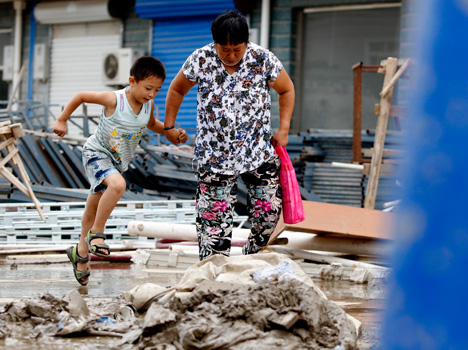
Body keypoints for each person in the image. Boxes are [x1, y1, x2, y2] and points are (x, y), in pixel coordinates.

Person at [164, 10, 295, 261]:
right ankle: (215, 276)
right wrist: (169, 127)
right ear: (215, 44)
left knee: (268, 216)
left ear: (247, 42)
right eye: (225, 49)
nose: (231, 55)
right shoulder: (201, 59)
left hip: (257, 151)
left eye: (237, 48)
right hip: (214, 155)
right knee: (214, 227)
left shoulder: (263, 59)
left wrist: (284, 129)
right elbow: (177, 89)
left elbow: (286, 89)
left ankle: (248, 261)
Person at [53, 56, 188, 285]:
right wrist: (62, 119)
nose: (151, 94)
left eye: (157, 90)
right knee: (118, 185)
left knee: (94, 205)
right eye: (147, 88)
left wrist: (170, 132)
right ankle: (97, 234)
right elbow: (81, 96)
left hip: (116, 162)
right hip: (97, 153)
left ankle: (80, 254)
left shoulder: (148, 105)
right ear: (132, 81)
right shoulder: (114, 99)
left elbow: (152, 123)